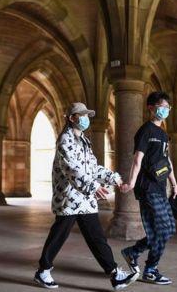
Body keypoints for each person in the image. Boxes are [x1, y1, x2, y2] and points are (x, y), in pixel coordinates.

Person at [34, 102, 138, 290]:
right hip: (68, 198)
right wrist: (92, 186)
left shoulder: (84, 140)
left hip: (83, 199)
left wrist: (113, 178)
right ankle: (43, 270)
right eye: (81, 115)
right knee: (59, 234)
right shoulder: (65, 140)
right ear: (72, 118)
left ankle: (115, 274)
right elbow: (71, 168)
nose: (86, 119)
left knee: (96, 236)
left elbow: (92, 167)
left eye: (87, 115)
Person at [120, 91, 177, 285]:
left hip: (161, 188)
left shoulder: (163, 134)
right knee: (161, 230)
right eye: (161, 107)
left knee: (168, 229)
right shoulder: (145, 131)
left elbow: (166, 160)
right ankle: (151, 270)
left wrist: (174, 184)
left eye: (167, 107)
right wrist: (131, 182)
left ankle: (133, 252)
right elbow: (138, 159)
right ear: (151, 108)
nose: (165, 110)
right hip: (147, 188)